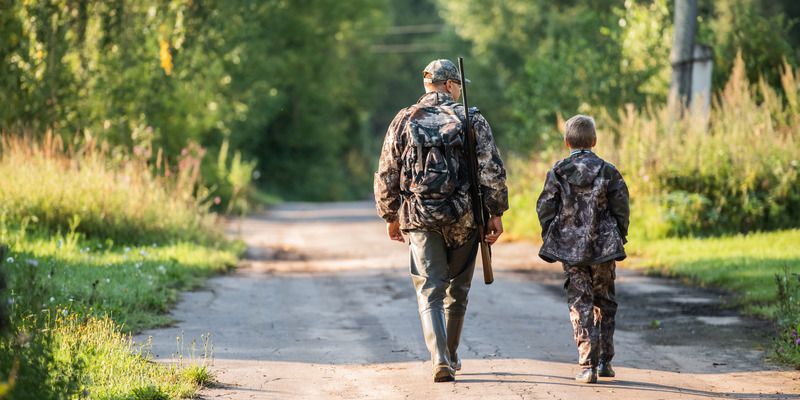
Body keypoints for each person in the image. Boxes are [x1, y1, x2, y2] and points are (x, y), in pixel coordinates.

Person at [374, 59, 508, 383]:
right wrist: (495, 212)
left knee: (429, 289)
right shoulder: (470, 118)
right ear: (449, 85)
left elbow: (387, 171)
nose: (460, 89)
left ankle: (439, 359)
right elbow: (491, 170)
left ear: (427, 85)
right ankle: (450, 352)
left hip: (419, 216)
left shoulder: (404, 119)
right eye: (459, 84)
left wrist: (391, 215)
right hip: (463, 216)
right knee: (458, 288)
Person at [536, 115, 630, 383]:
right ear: (595, 141)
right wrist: (618, 234)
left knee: (580, 302)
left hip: (571, 249)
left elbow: (545, 207)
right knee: (605, 301)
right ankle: (605, 362)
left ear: (566, 142)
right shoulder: (608, 170)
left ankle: (586, 365)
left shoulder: (557, 171)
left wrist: (552, 234)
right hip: (605, 248)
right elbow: (621, 207)